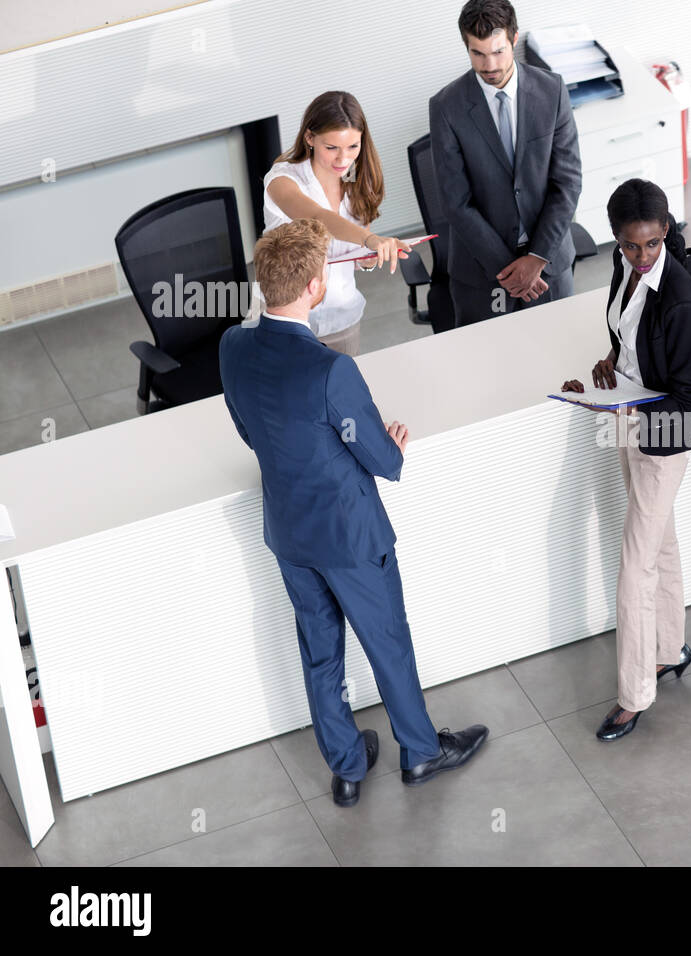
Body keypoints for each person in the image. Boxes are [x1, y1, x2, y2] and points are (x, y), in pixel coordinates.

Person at [218, 218, 488, 808]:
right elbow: (383, 462)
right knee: (387, 642)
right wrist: (389, 443)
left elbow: (249, 430)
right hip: (351, 537)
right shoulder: (330, 369)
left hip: (290, 535)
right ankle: (420, 752)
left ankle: (346, 768)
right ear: (315, 286)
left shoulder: (233, 346)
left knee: (320, 653)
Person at [560, 179, 691, 740]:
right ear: (617, 240)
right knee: (660, 542)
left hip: (664, 436)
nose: (642, 255)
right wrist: (613, 360)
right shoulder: (624, 269)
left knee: (635, 565)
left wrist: (627, 407)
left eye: (651, 243)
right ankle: (670, 648)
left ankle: (634, 694)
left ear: (665, 231)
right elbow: (630, 333)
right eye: (630, 245)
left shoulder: (680, 298)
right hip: (630, 418)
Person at [428, 0, 582, 327]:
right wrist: (510, 271)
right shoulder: (446, 106)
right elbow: (455, 203)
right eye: (478, 53)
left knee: (559, 348)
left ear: (514, 38)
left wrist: (536, 258)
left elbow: (567, 183)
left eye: (498, 51)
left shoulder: (552, 91)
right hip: (482, 273)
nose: (489, 65)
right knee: (487, 355)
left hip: (548, 265)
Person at [262, 91, 410, 356]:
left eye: (353, 147)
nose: (343, 159)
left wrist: (368, 256)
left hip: (342, 316)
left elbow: (355, 249)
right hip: (290, 320)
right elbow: (317, 217)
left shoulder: (356, 179)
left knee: (343, 379)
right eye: (331, 148)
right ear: (310, 138)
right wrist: (369, 239)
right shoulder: (282, 179)